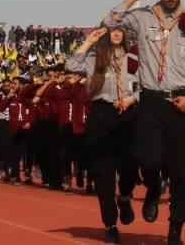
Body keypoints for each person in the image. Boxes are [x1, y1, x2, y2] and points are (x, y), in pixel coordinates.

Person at [104, 0, 185, 245]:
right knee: (146, 158)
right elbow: (108, 22)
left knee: (182, 172)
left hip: (182, 103)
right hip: (151, 100)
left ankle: (175, 230)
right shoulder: (141, 18)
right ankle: (152, 188)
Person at [67, 26, 140, 245]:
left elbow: (146, 86)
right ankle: (110, 224)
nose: (116, 34)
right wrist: (89, 41)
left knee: (130, 165)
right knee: (104, 173)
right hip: (101, 114)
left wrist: (131, 99)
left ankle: (125, 196)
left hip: (128, 113)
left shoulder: (136, 58)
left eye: (121, 30)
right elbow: (71, 64)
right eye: (112, 30)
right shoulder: (94, 58)